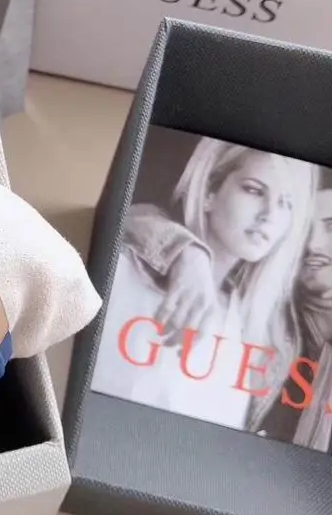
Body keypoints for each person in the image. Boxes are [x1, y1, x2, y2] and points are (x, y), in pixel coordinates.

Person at [92, 138, 316, 432]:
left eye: (286, 203)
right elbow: (114, 220)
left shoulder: (259, 332)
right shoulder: (126, 269)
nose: (269, 215)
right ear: (210, 191)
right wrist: (185, 252)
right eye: (254, 190)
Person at [126, 171, 332, 450]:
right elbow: (135, 217)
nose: (312, 245)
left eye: (331, 227)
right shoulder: (263, 310)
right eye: (305, 229)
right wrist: (187, 253)